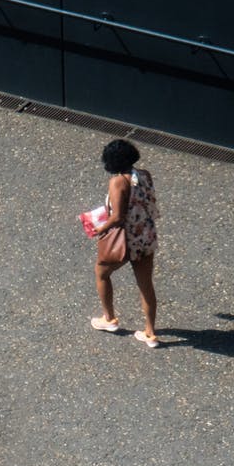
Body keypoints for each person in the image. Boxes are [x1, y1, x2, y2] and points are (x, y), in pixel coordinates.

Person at [88, 139, 161, 347]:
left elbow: (118, 217)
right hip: (145, 236)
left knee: (102, 273)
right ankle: (150, 333)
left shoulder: (118, 182)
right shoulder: (144, 175)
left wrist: (99, 229)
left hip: (125, 239)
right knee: (146, 285)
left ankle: (109, 319)